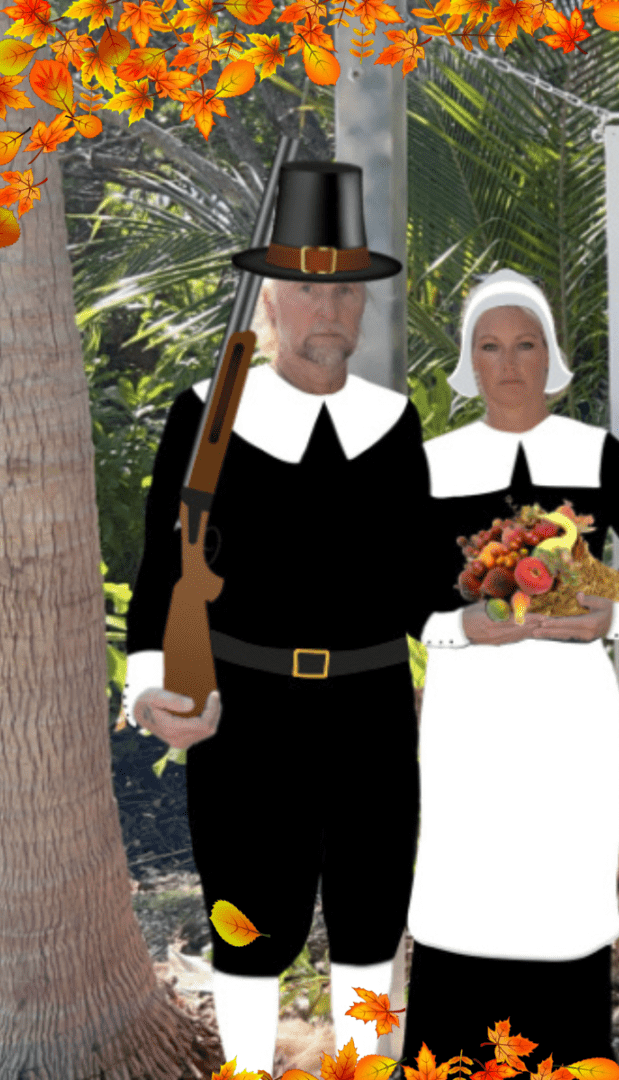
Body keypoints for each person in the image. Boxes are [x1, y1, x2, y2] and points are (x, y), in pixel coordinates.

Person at [122, 161, 424, 1076]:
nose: (324, 310)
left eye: (341, 291)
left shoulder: (394, 422)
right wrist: (147, 689)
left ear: (363, 305)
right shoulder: (205, 414)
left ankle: (365, 1069)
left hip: (373, 707)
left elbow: (418, 581)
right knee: (248, 925)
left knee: (372, 920)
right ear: (271, 301)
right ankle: (249, 1071)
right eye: (302, 288)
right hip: (244, 713)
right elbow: (157, 568)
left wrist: (501, 610)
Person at [404, 269, 619, 1066]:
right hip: (470, 709)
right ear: (470, 360)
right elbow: (400, 600)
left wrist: (615, 614)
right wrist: (466, 628)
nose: (509, 362)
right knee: (468, 876)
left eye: (525, 343)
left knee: (562, 881)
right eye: (490, 346)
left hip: (570, 707)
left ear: (549, 355)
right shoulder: (430, 462)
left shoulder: (596, 453)